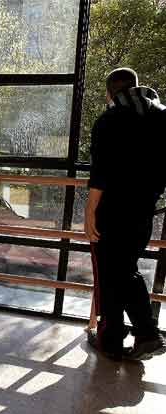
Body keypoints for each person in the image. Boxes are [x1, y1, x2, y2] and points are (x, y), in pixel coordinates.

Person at [84, 67, 166, 361]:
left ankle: (115, 338)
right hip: (143, 214)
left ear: (110, 93)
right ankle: (143, 334)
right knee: (125, 271)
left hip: (112, 213)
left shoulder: (110, 120)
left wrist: (90, 211)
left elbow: (101, 172)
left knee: (109, 275)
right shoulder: (161, 116)